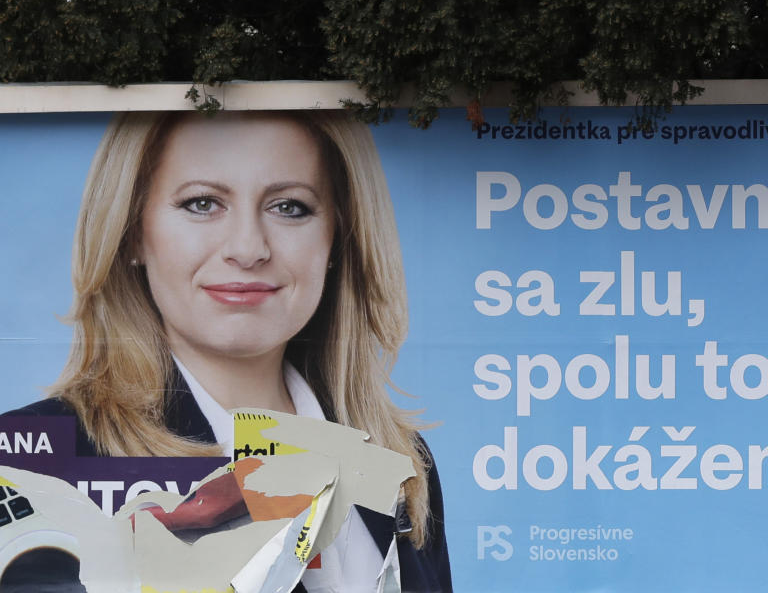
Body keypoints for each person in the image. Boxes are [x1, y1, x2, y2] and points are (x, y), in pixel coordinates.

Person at [3, 110, 452, 592]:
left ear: (337, 238)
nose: (247, 248)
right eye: (201, 203)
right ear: (132, 231)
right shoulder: (29, 460)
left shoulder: (398, 458)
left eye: (289, 206)